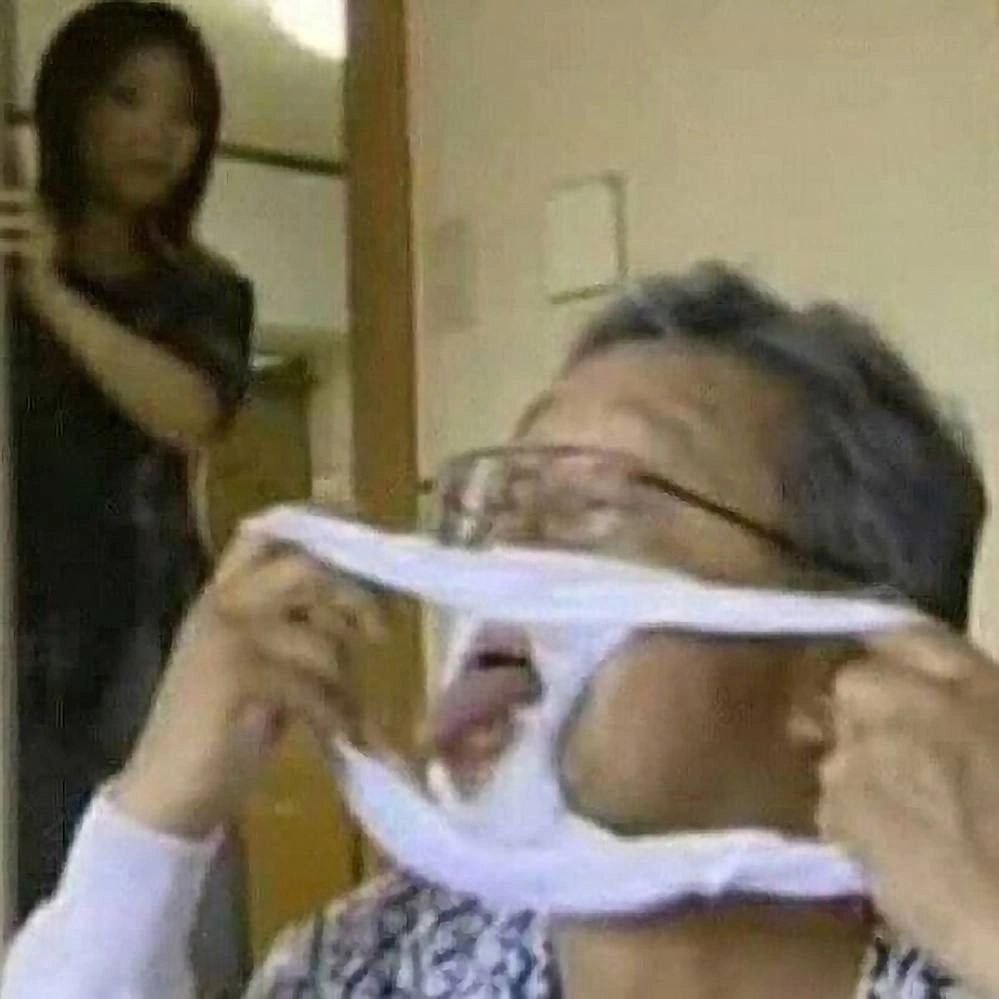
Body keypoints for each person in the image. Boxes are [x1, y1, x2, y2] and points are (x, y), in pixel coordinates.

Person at [2, 264, 993, 998]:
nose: (508, 544)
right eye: (499, 495)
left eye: (598, 500)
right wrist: (154, 820)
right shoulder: (374, 966)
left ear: (839, 676)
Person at [1, 0, 254, 921]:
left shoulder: (206, 289)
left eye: (185, 115)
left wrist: (47, 291)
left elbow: (191, 413)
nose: (158, 134)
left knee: (176, 908)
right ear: (71, 105)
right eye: (127, 98)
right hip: (23, 628)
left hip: (148, 629)